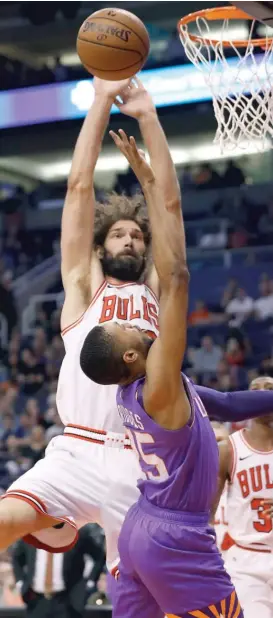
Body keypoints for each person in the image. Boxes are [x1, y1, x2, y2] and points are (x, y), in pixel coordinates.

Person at [1, 77, 273, 579]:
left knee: (140, 594)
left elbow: (168, 208)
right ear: (101, 249)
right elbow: (79, 189)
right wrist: (102, 100)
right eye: (118, 235)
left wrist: (148, 116)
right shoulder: (84, 290)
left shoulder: (157, 295)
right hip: (76, 450)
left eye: (136, 236)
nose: (129, 240)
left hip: (144, 460)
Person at [80, 131, 243, 618]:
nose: (132, 321)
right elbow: (177, 277)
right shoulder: (160, 380)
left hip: (139, 528)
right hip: (175, 535)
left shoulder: (134, 391)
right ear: (129, 357)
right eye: (125, 326)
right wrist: (150, 182)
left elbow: (231, 404)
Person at [212, 376, 273, 618]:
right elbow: (207, 514)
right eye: (254, 389)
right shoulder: (228, 449)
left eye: (269, 389)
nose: (261, 394)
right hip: (246, 560)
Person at [12, 524, 105, 618]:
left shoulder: (76, 533)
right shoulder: (32, 534)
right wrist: (20, 583)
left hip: (67, 601)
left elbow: (99, 557)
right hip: (36, 600)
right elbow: (17, 557)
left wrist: (89, 582)